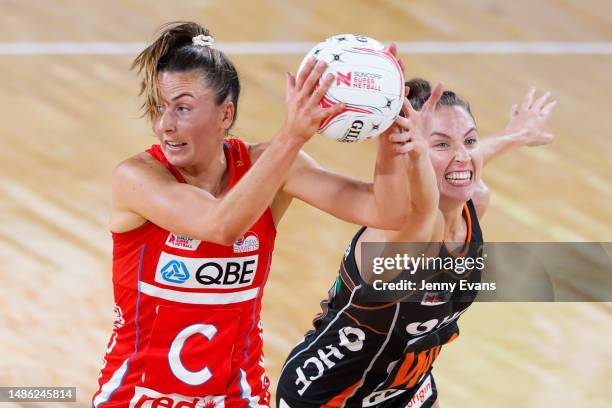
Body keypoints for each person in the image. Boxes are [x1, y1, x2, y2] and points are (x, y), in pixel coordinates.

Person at [91, 21, 416, 408]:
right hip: (138, 397)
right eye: (159, 109)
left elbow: (386, 211)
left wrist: (388, 135)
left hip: (238, 396)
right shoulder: (137, 177)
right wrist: (293, 134)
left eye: (182, 108)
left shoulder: (269, 166)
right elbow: (221, 225)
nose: (165, 124)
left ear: (225, 115)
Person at [276, 79, 556, 408]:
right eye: (440, 145)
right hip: (330, 396)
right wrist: (410, 151)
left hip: (404, 386)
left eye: (469, 140)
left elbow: (464, 164)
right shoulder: (400, 229)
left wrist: (515, 136)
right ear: (408, 152)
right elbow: (424, 205)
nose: (463, 156)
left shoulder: (473, 204)